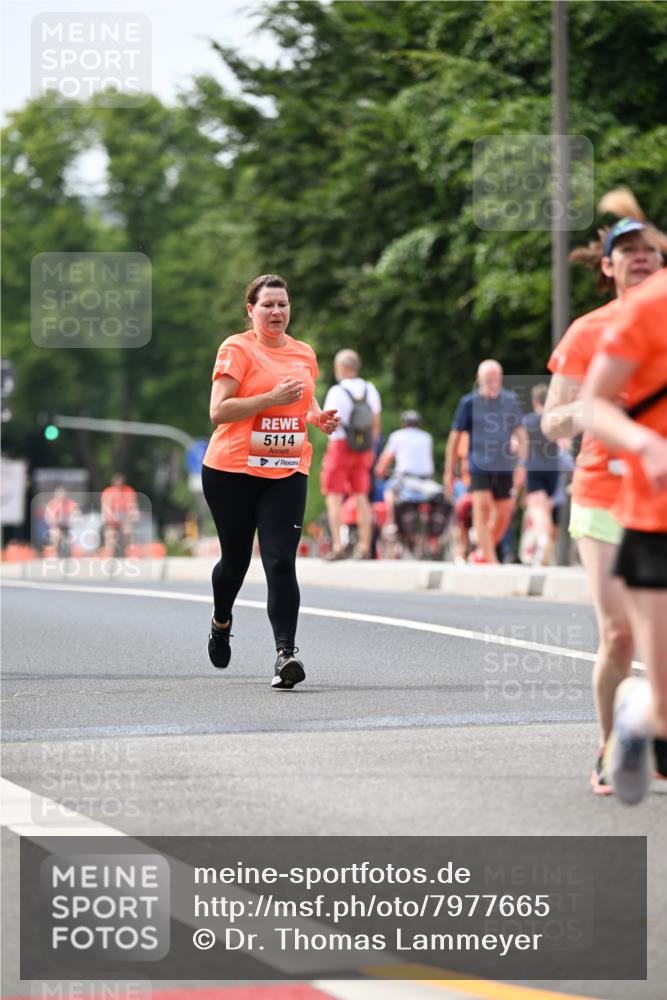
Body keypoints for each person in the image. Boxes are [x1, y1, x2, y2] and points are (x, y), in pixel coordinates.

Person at [542, 187, 665, 794]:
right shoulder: (588, 333)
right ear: (608, 266)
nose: (639, 258)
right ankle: (609, 742)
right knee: (618, 633)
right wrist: (599, 410)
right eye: (627, 251)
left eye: (648, 249)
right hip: (603, 492)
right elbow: (553, 420)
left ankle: (653, 725)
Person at [201, 274, 339, 689]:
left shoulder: (304, 352)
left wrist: (317, 418)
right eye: (267, 305)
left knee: (280, 561)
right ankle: (221, 620)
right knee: (236, 563)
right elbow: (218, 411)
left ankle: (285, 655)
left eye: (282, 304)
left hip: (287, 470)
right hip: (232, 471)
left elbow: (305, 398)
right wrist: (267, 400)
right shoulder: (237, 348)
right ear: (251, 310)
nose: (276, 312)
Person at [582, 266, 667, 803]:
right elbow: (592, 403)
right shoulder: (649, 305)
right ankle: (638, 720)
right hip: (653, 515)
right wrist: (644, 444)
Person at [444, 360, 527, 563]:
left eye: (496, 377)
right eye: (488, 377)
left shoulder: (510, 400)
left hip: (505, 464)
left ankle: (482, 551)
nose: (492, 381)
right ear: (479, 379)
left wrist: (523, 463)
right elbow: (455, 437)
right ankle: (490, 560)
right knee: (481, 511)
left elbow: (520, 432)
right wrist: (449, 471)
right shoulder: (468, 403)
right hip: (478, 464)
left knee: (504, 513)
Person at [321, 349, 381, 560]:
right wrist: (371, 448)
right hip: (364, 449)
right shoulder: (370, 389)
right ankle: (364, 547)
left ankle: (338, 545)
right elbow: (375, 423)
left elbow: (328, 421)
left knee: (334, 496)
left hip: (340, 446)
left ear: (343, 367)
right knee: (362, 496)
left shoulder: (337, 391)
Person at [522, 384, 562, 565]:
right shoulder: (555, 419)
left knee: (537, 510)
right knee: (546, 509)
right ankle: (543, 549)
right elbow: (564, 445)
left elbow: (518, 447)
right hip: (553, 470)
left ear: (535, 401)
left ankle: (543, 543)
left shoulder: (529, 421)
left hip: (535, 468)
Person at [375, 410, 436, 528]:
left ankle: (391, 521)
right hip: (426, 480)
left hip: (404, 478)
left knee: (389, 491)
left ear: (403, 424)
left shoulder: (397, 436)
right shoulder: (427, 437)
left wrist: (380, 471)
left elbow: (385, 460)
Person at [101, 473, 139, 555]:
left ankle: (129, 552)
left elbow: (132, 505)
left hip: (124, 515)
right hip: (112, 516)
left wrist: (131, 516)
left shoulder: (128, 490)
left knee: (127, 530)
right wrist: (108, 518)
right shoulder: (108, 491)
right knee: (110, 535)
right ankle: (110, 554)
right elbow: (106, 506)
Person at [44, 485, 81, 556]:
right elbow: (49, 519)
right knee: (55, 534)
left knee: (76, 534)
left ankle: (74, 554)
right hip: (56, 526)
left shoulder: (70, 503)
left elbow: (77, 513)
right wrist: (57, 522)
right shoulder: (52, 504)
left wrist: (77, 518)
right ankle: (53, 554)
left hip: (69, 526)